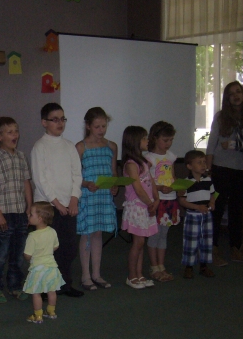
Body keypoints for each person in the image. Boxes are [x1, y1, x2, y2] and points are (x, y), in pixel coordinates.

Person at [31, 103, 83, 297]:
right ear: (44, 122)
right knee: (47, 250)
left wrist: (74, 199)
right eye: (55, 119)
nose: (60, 123)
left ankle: (64, 284)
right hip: (48, 206)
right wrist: (57, 203)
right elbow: (40, 179)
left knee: (68, 248)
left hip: (68, 206)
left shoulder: (69, 146)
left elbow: (77, 174)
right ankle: (45, 288)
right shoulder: (40, 147)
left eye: (62, 119)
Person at [206, 81, 243, 266]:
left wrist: (235, 145)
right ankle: (212, 250)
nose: (236, 96)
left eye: (238, 92)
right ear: (227, 98)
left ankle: (237, 249)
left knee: (237, 210)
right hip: (221, 168)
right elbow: (212, 144)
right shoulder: (221, 117)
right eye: (231, 93)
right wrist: (208, 170)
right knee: (217, 209)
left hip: (242, 169)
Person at [0, 117, 33, 303]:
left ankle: (15, 285)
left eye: (16, 131)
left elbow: (26, 183)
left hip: (20, 213)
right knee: (1, 252)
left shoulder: (21, 157)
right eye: (10, 132)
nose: (15, 135)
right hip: (3, 214)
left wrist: (29, 207)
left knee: (18, 253)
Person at [75, 107, 118, 291]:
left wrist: (114, 185)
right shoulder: (80, 147)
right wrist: (86, 184)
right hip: (88, 195)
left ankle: (96, 274)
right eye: (97, 127)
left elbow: (113, 172)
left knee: (98, 233)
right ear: (88, 126)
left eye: (104, 126)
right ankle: (85, 275)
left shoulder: (111, 146)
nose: (101, 130)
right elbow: (75, 176)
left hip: (103, 195)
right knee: (87, 233)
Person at [121, 125, 159, 289]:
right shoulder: (131, 164)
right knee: (138, 242)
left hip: (146, 205)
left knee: (141, 242)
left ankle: (139, 274)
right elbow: (138, 188)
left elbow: (151, 182)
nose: (147, 140)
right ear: (135, 141)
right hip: (137, 207)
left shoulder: (144, 162)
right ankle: (131, 276)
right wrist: (149, 203)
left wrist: (156, 199)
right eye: (144, 138)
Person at [143, 121, 180, 282]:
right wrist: (158, 188)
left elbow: (172, 176)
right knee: (154, 234)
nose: (168, 143)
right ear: (155, 138)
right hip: (157, 201)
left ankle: (161, 265)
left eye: (171, 140)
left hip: (170, 200)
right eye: (165, 140)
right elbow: (145, 181)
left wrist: (178, 187)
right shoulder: (148, 158)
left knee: (164, 234)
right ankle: (154, 266)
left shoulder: (171, 156)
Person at [22, 202, 63, 323]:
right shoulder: (52, 231)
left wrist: (28, 258)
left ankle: (38, 315)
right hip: (51, 267)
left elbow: (27, 255)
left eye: (31, 214)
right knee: (52, 290)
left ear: (39, 219)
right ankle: (51, 311)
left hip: (38, 269)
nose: (28, 216)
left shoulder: (32, 236)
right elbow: (55, 246)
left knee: (36, 293)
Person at [178, 150, 216, 279]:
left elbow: (212, 194)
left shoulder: (208, 180)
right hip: (193, 215)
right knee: (191, 241)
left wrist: (212, 202)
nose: (203, 165)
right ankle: (189, 267)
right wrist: (197, 207)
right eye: (199, 162)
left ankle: (204, 266)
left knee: (206, 240)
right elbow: (182, 201)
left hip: (206, 215)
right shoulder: (185, 182)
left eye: (204, 162)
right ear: (189, 166)